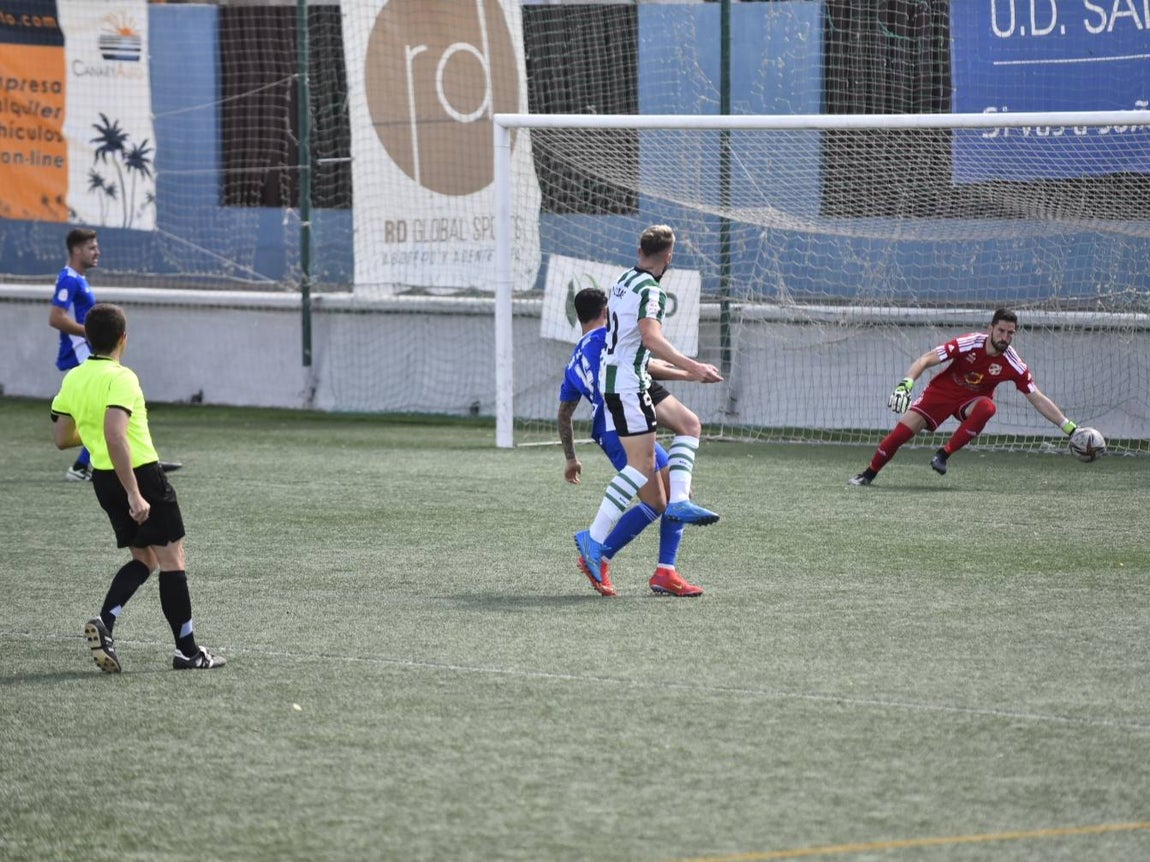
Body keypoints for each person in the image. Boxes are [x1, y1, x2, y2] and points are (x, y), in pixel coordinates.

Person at [51, 303, 225, 672]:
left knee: (143, 559)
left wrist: (92, 427)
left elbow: (62, 438)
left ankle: (106, 622)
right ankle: (187, 652)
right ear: (123, 339)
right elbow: (117, 435)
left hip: (102, 478)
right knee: (172, 560)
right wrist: (135, 491)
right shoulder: (123, 377)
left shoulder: (74, 379)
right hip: (140, 476)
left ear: (89, 337)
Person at [573, 224, 724, 597]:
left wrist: (686, 374)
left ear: (640, 249)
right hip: (627, 383)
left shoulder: (623, 279)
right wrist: (693, 367)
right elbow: (650, 338)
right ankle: (593, 539)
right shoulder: (651, 289)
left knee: (689, 424)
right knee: (641, 468)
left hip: (630, 377)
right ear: (669, 257)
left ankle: (677, 519)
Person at [849, 307, 1082, 486]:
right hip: (941, 393)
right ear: (990, 328)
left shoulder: (1013, 363)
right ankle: (868, 475)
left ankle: (943, 455)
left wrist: (1070, 428)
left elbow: (1037, 397)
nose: (1005, 337)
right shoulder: (970, 342)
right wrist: (905, 384)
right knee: (899, 435)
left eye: (1010, 333)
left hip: (969, 403)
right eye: (1001, 330)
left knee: (988, 408)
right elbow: (926, 359)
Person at [50, 228, 181, 481]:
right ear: (77, 250)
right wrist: (91, 332)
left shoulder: (78, 278)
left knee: (112, 409)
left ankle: (105, 461)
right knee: (109, 408)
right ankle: (88, 466)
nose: (97, 252)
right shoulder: (69, 279)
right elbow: (56, 318)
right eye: (91, 248)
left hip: (88, 350)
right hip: (81, 352)